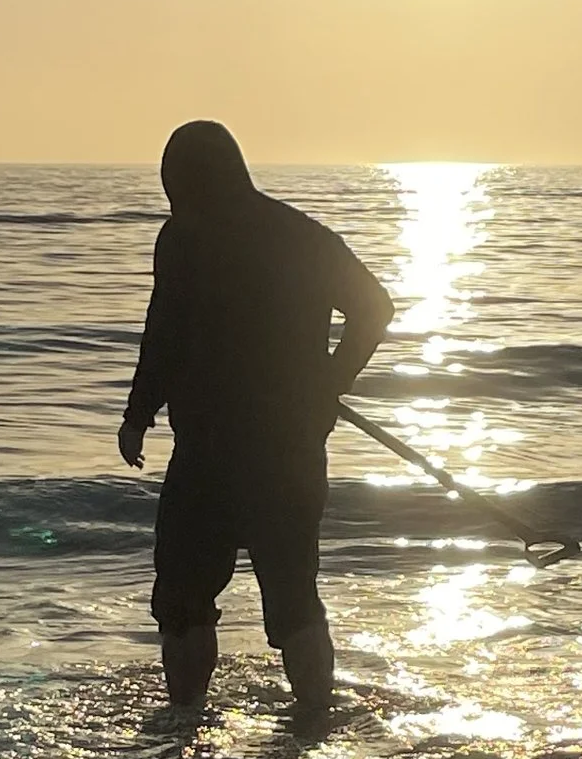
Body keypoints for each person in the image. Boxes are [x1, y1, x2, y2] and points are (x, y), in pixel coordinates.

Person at [118, 122, 394, 720]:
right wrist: (329, 385)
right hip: (258, 450)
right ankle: (282, 720)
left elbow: (162, 333)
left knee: (215, 596)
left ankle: (203, 721)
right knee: (254, 593)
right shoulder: (279, 237)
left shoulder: (208, 237)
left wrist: (327, 383)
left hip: (239, 452)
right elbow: (374, 307)